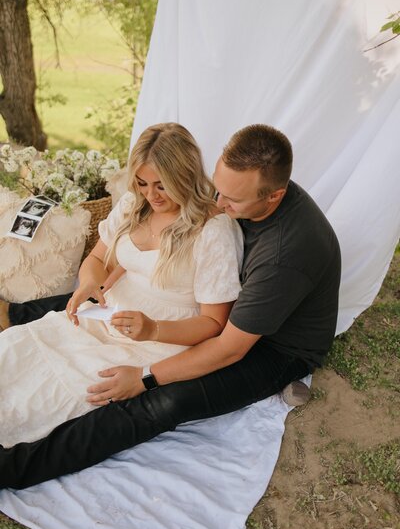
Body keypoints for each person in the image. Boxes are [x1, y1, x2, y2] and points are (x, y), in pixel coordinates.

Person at [0, 123, 341, 490]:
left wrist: (146, 376)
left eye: (230, 200)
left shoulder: (280, 255)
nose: (217, 202)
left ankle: (16, 467)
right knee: (93, 309)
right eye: (218, 185)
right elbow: (119, 261)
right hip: (207, 309)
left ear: (273, 197)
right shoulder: (242, 190)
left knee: (163, 401)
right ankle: (17, 319)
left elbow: (226, 344)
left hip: (274, 347)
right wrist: (105, 277)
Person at [0, 122, 242, 447]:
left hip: (157, 341)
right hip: (103, 318)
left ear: (185, 176)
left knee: (44, 398)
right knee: (12, 353)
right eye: (142, 183)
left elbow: (214, 324)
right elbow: (98, 261)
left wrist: (153, 329)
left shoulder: (213, 231)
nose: (150, 195)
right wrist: (88, 284)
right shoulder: (133, 205)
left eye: (162, 186)